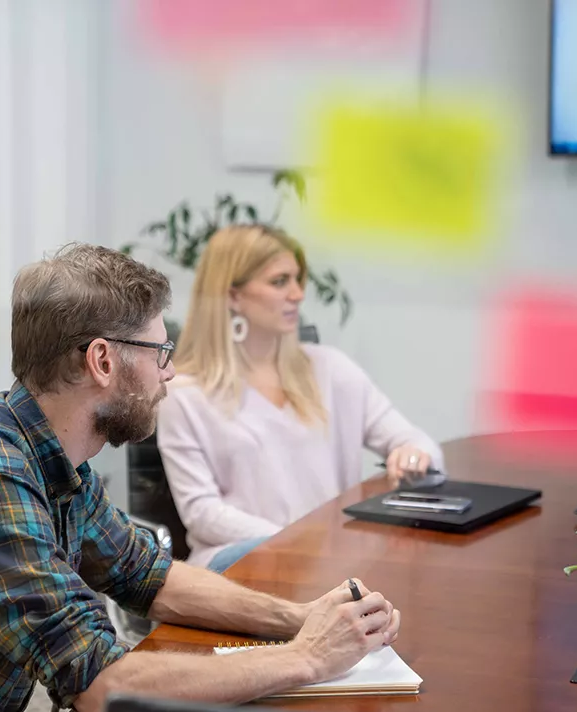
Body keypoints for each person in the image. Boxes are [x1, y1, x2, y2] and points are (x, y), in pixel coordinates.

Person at [0, 243, 401, 712]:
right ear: (103, 361)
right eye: (161, 352)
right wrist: (306, 658)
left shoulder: (49, 453)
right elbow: (102, 688)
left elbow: (149, 576)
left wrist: (297, 618)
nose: (171, 373)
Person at [157, 225, 444, 572]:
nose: (297, 294)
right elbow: (203, 515)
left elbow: (416, 442)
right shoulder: (184, 395)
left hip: (331, 561)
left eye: (297, 279)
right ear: (232, 296)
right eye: (279, 282)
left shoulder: (331, 368)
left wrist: (413, 454)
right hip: (242, 560)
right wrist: (301, 541)